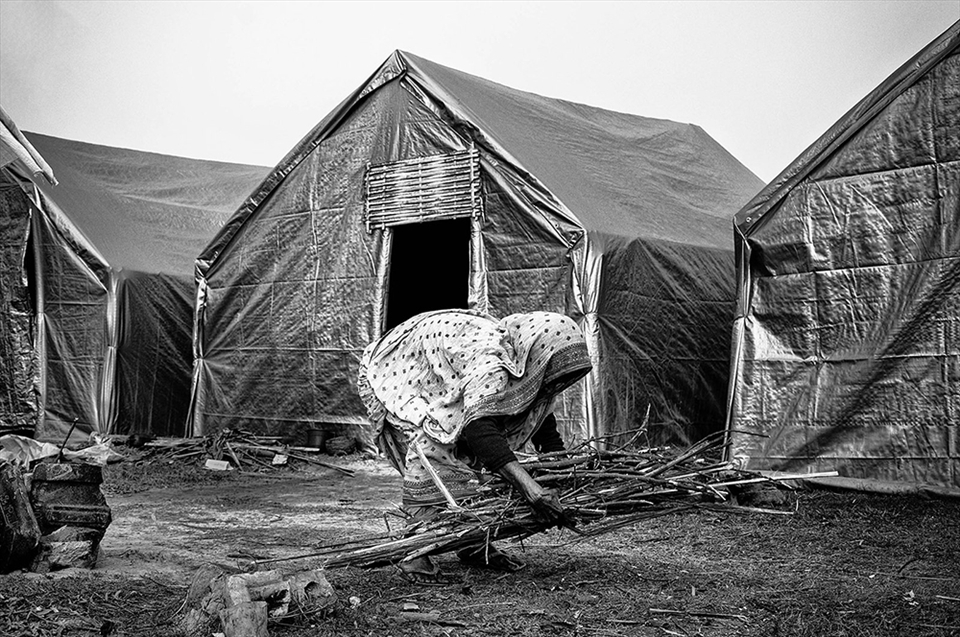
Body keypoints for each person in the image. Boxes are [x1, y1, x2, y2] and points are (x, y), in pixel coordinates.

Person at [358, 309, 592, 581]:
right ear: (537, 354)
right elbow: (479, 430)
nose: (556, 383)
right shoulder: (489, 362)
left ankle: (471, 541)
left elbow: (543, 423)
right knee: (435, 446)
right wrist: (532, 490)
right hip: (394, 370)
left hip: (443, 370)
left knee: (477, 455)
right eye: (553, 371)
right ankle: (416, 551)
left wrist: (563, 472)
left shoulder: (527, 367)